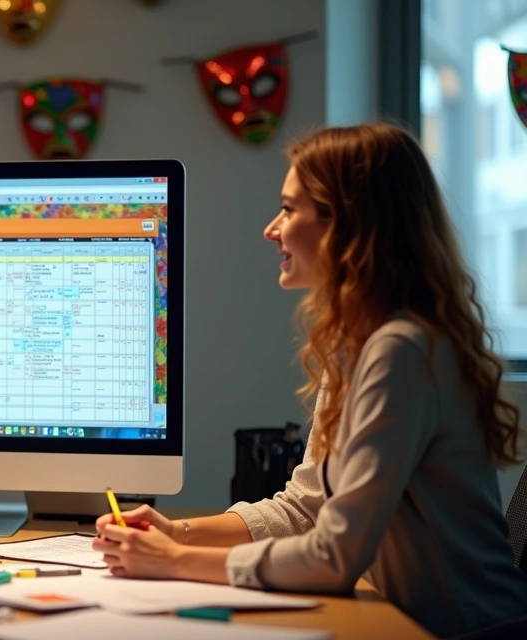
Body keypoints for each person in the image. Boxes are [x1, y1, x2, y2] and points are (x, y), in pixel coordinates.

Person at [92, 123, 527, 637]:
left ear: (346, 225)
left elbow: (334, 556)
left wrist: (173, 562)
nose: (271, 228)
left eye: (289, 209)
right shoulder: (357, 343)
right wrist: (179, 534)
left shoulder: (401, 351)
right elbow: (307, 508)